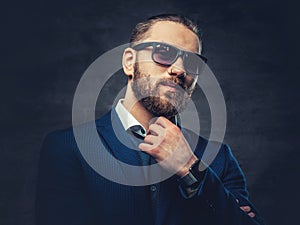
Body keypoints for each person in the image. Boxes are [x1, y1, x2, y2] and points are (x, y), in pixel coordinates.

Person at [36, 14, 264, 225]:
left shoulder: (219, 158)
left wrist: (189, 168)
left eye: (192, 63)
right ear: (129, 62)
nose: (179, 69)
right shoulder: (69, 148)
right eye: (164, 53)